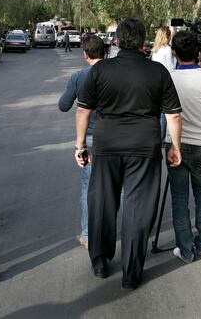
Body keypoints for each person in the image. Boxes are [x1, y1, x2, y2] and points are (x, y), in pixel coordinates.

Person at [75, 18, 183, 290]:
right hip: (144, 146)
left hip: (107, 143)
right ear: (144, 42)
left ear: (117, 42)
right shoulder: (158, 72)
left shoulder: (100, 71)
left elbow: (83, 111)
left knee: (102, 202)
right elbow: (174, 115)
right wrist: (175, 147)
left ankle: (100, 261)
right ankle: (131, 273)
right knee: (137, 208)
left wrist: (80, 146)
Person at [165, 31, 201, 263]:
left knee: (179, 198)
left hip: (174, 145)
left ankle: (185, 249)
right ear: (198, 52)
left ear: (174, 53)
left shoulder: (168, 78)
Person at [58, 34, 105, 249]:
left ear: (85, 55)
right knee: (119, 187)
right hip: (114, 137)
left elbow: (63, 105)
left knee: (89, 187)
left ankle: (88, 234)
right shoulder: (114, 73)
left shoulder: (78, 77)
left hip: (90, 138)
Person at [151, 26, 175, 145]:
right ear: (167, 36)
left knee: (158, 111)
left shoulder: (155, 49)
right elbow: (170, 68)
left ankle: (157, 137)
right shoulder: (167, 50)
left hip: (155, 80)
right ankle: (162, 139)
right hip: (165, 82)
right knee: (165, 114)